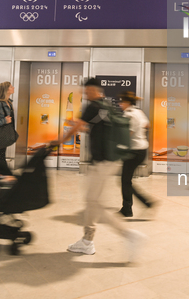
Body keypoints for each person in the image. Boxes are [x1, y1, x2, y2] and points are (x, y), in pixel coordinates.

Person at [64, 78, 146, 261]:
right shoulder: (109, 105)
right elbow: (97, 130)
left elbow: (78, 126)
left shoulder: (92, 106)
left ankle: (129, 235)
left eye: (86, 92)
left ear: (93, 90)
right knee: (92, 201)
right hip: (111, 160)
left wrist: (59, 141)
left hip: (101, 163)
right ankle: (87, 240)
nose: (85, 95)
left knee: (93, 202)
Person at [117, 91, 155, 218]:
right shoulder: (139, 112)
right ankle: (128, 207)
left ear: (127, 102)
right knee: (126, 180)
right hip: (142, 149)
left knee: (125, 181)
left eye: (121, 101)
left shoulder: (129, 115)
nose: (119, 104)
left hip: (134, 151)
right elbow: (147, 125)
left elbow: (128, 135)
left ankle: (135, 206)